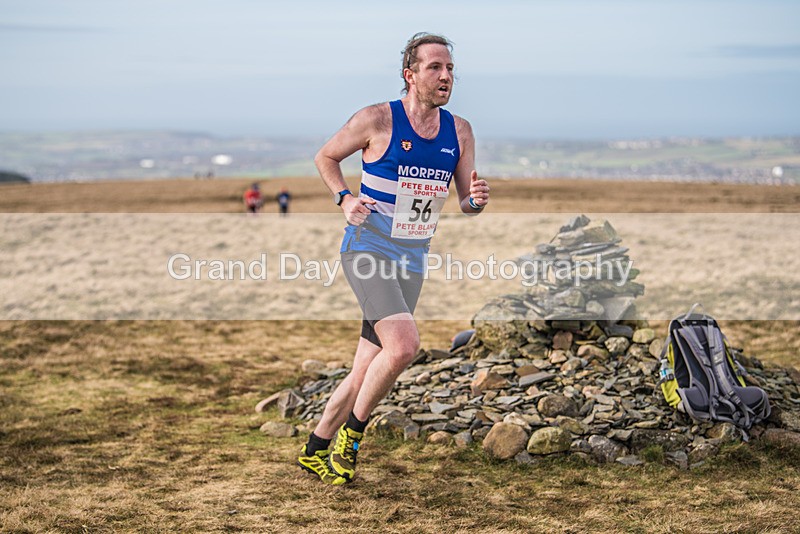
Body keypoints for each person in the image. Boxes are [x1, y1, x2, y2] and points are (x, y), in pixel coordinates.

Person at [297, 32, 490, 485]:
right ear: (410, 75)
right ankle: (351, 437)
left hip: (413, 257)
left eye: (450, 70)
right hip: (367, 249)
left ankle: (314, 449)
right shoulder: (377, 119)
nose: (446, 77)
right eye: (434, 68)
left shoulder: (459, 131)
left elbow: (466, 200)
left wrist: (477, 200)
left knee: (366, 367)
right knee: (404, 346)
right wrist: (344, 197)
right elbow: (326, 157)